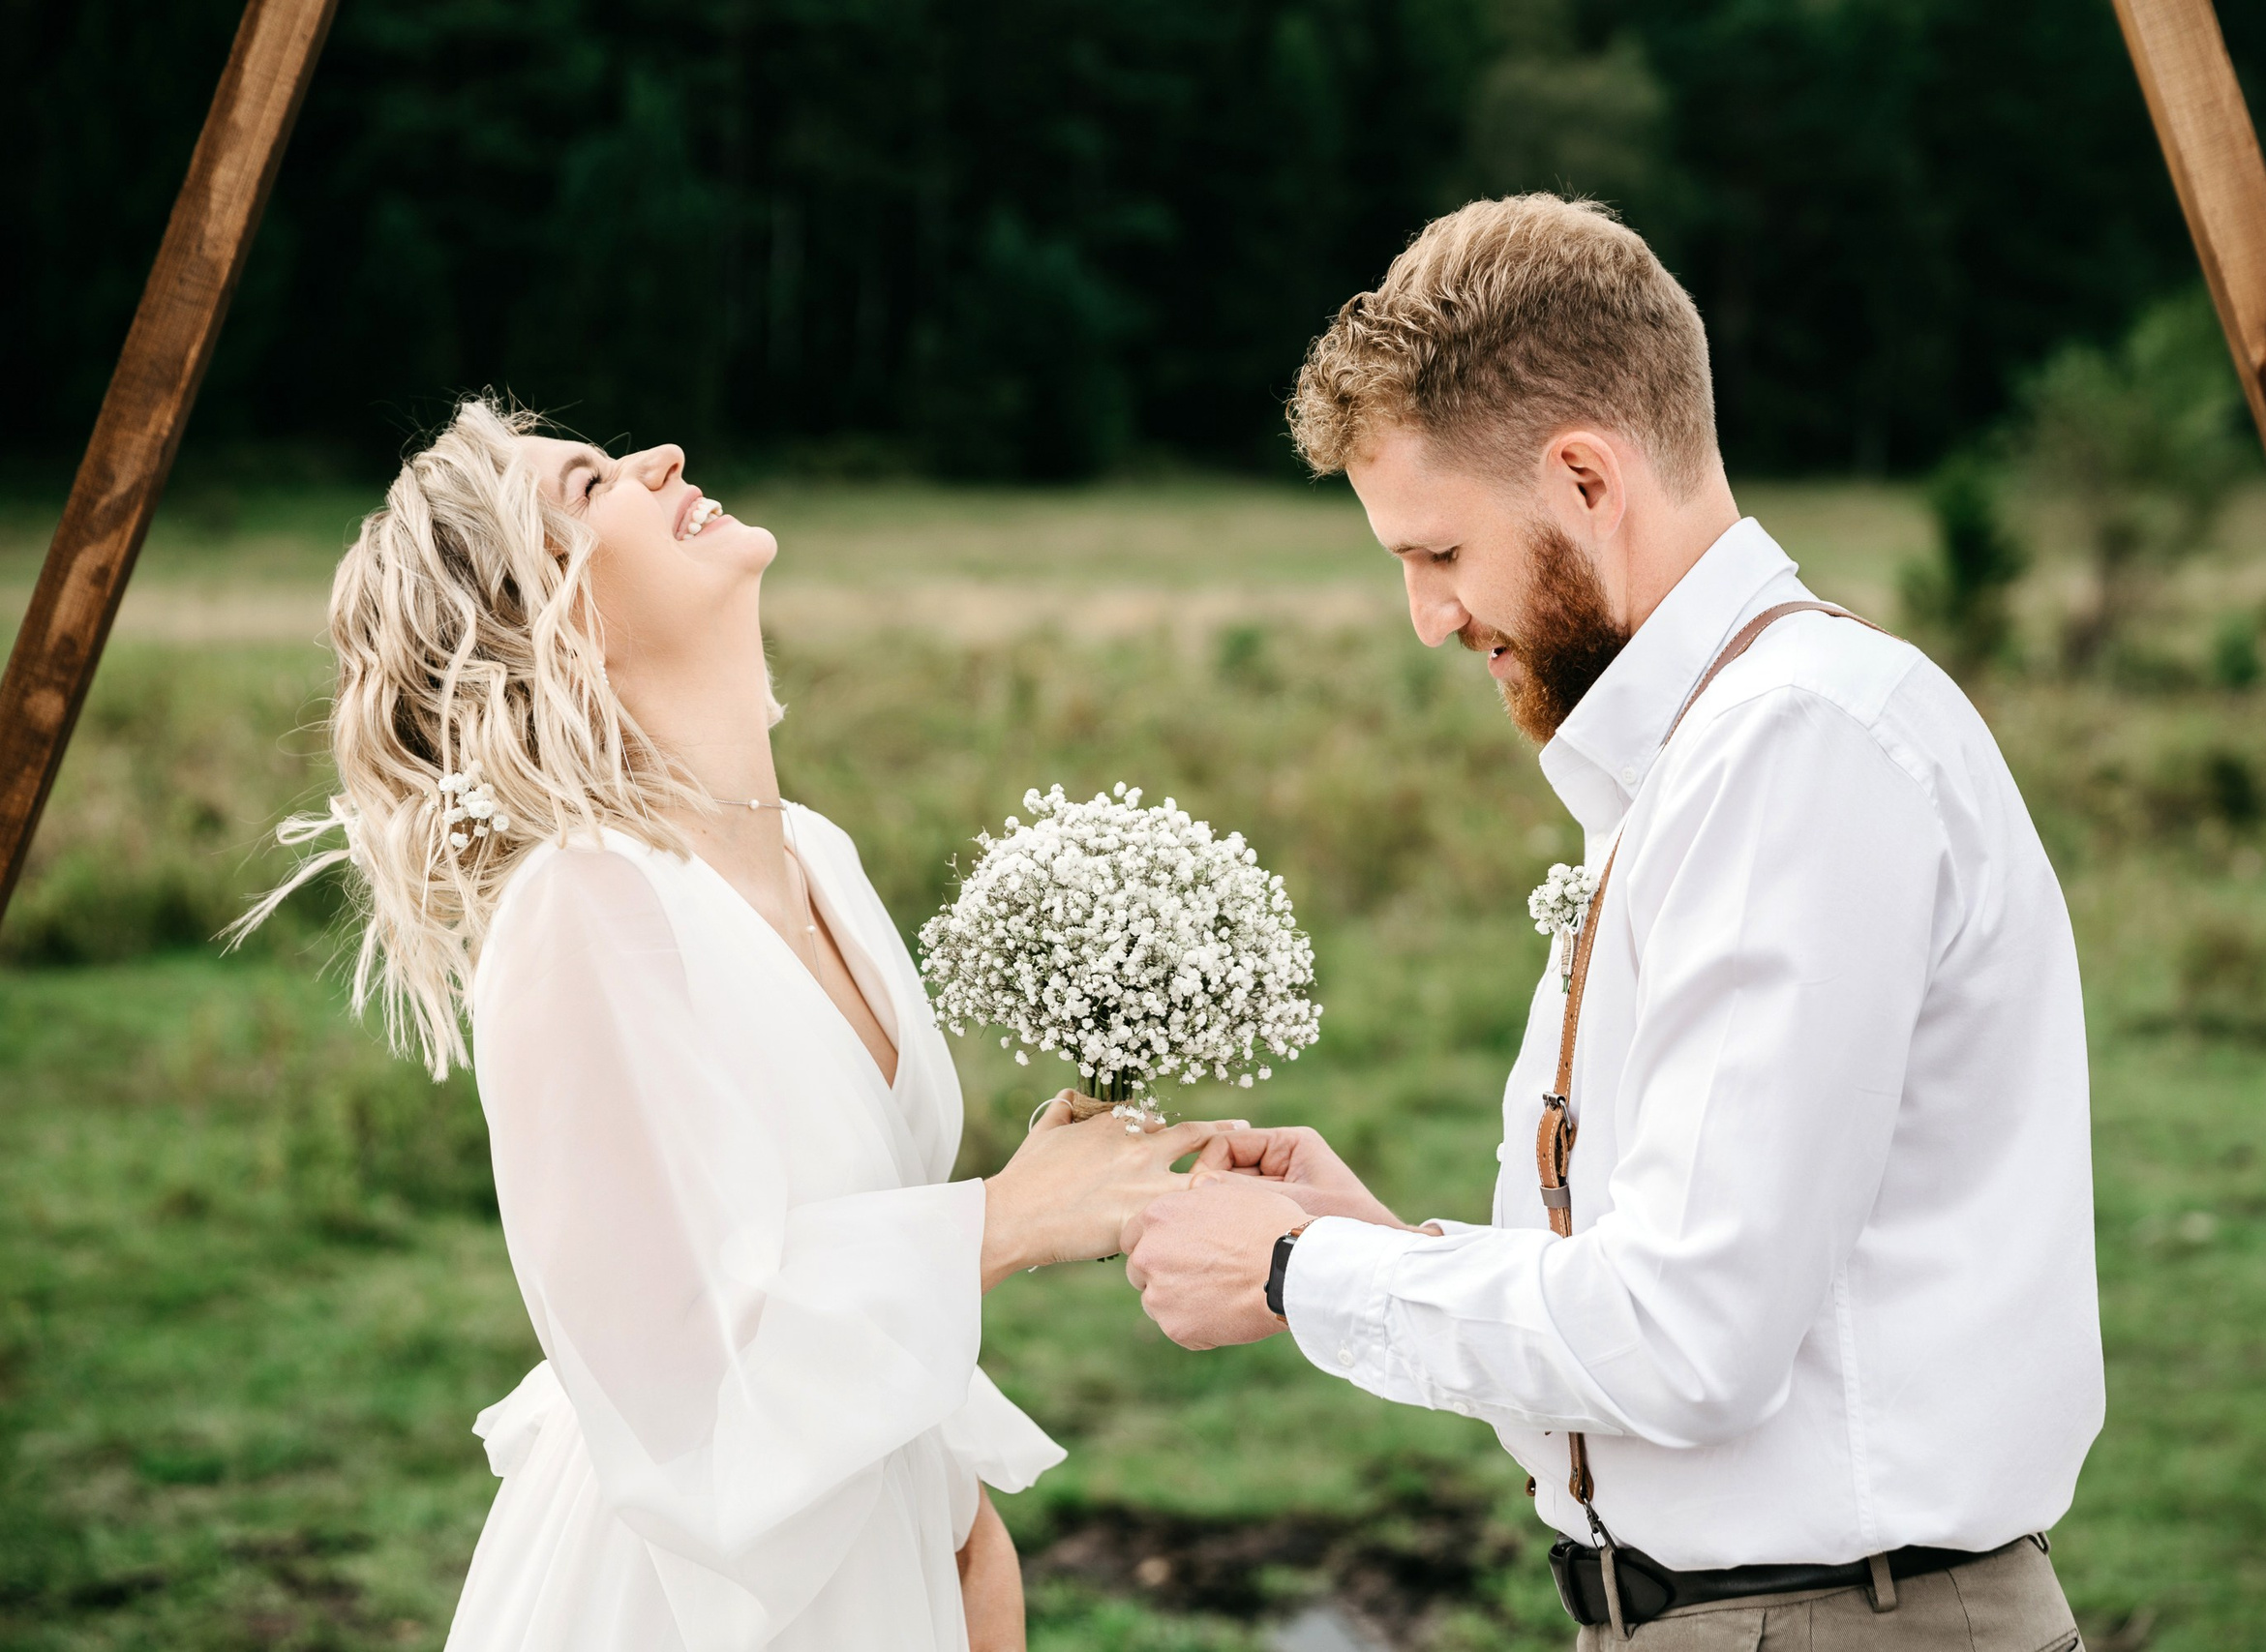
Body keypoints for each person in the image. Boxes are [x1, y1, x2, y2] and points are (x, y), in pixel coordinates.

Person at [1121, 195, 2102, 1650]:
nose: (1427, 618)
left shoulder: (1795, 751)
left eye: (1438, 553)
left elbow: (1693, 1338)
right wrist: (1379, 1241)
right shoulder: (1703, 753)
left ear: (1585, 477)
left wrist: (1296, 1269)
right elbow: (1677, 1283)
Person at [235, 400, 1234, 1652]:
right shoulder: (582, 904)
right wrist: (1007, 1219)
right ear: (544, 618)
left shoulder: (818, 856)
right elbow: (682, 1384)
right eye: (590, 485)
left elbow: (830, 1241)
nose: (661, 459)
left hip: (885, 1549)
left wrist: (964, 1525)